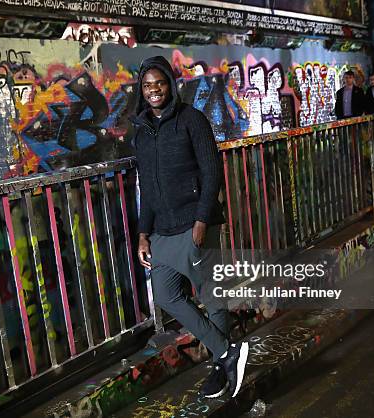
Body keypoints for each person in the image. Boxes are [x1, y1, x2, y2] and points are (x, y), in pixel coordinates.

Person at [130, 56, 249, 399]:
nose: (154, 90)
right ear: (142, 89)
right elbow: (148, 188)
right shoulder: (142, 131)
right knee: (167, 295)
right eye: (147, 85)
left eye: (160, 83)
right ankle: (227, 352)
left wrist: (201, 220)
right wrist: (142, 233)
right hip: (163, 231)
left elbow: (212, 172)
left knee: (211, 296)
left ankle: (219, 368)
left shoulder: (191, 120)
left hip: (196, 224)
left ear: (170, 84)